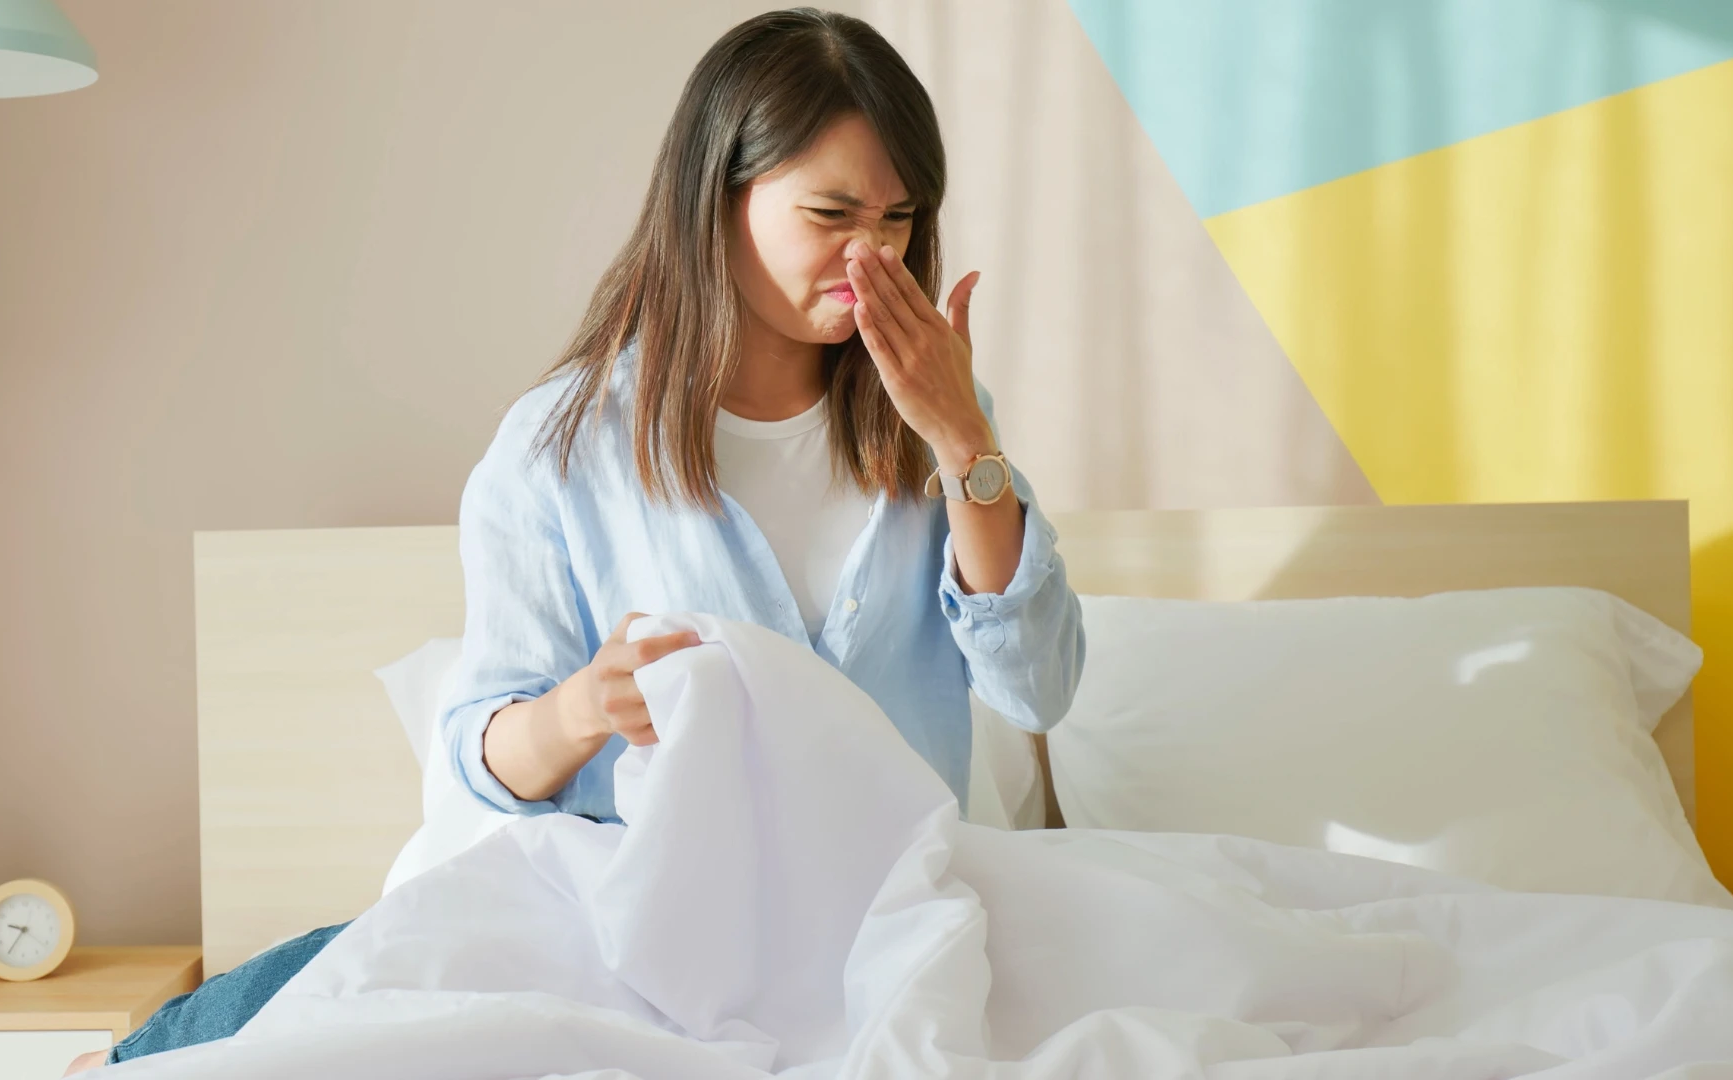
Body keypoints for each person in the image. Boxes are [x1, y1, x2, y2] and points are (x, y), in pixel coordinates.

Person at [67, 7, 1082, 1073]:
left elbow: (1038, 689)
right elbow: (482, 765)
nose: (873, 253)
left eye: (900, 218)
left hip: (885, 929)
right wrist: (581, 707)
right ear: (716, 199)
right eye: (831, 213)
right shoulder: (565, 445)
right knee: (325, 1003)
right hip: (634, 932)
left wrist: (964, 442)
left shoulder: (941, 429)